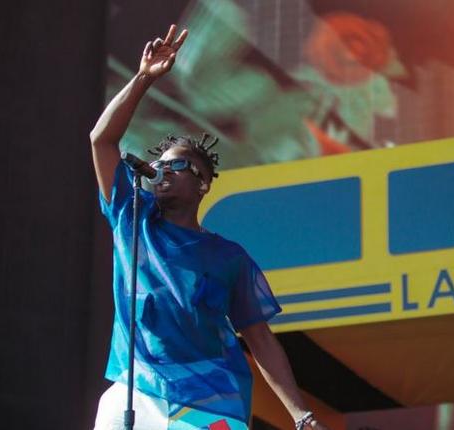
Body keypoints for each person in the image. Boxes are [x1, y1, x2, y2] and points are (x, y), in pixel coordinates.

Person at [90, 24, 329, 430]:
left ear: (202, 183)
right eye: (160, 165)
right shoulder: (133, 216)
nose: (163, 171)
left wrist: (301, 416)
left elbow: (261, 341)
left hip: (208, 400)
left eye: (177, 165)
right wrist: (145, 78)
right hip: (137, 391)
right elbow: (101, 140)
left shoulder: (228, 258)